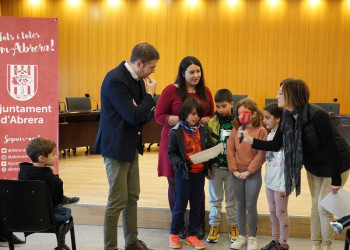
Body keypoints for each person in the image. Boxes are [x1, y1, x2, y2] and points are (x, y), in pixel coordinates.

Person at [238, 78, 350, 250]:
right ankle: (316, 245)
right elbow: (275, 145)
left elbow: (332, 149)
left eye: (280, 93)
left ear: (292, 95)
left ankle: (326, 247)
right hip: (314, 166)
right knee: (315, 206)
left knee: (323, 208)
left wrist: (336, 180)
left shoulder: (317, 115)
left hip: (336, 164)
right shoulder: (287, 117)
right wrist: (249, 139)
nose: (276, 96)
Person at [93, 42, 159, 250]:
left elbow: (145, 115)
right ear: (139, 63)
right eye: (151, 67)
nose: (153, 72)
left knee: (132, 196)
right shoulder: (115, 79)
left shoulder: (137, 78)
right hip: (116, 147)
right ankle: (110, 247)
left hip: (130, 145)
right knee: (117, 200)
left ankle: (131, 241)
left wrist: (142, 107)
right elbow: (134, 115)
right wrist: (149, 96)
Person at [154, 56, 214, 239]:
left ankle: (198, 225)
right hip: (176, 142)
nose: (196, 75)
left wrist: (206, 119)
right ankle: (178, 224)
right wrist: (182, 120)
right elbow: (159, 116)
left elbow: (211, 113)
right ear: (182, 73)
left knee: (197, 183)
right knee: (174, 182)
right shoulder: (171, 90)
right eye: (192, 72)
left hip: (197, 142)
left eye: (198, 71)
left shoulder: (205, 91)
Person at [18, 137, 79, 250]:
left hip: (25, 217)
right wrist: (55, 176)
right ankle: (62, 245)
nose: (56, 156)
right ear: (42, 158)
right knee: (63, 210)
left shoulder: (22, 172)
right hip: (46, 219)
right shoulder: (50, 178)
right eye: (53, 154)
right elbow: (57, 199)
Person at [168, 98, 213, 249]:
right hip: (184, 175)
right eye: (193, 114)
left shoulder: (203, 130)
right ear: (184, 113)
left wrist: (208, 165)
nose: (196, 117)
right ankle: (174, 234)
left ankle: (191, 235)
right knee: (179, 206)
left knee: (195, 206)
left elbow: (208, 150)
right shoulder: (176, 132)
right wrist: (181, 164)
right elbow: (171, 153)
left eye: (198, 114)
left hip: (199, 175)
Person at [226, 98, 267, 250]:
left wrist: (249, 171)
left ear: (254, 113)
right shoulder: (236, 130)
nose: (240, 116)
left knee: (251, 205)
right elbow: (230, 150)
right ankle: (241, 235)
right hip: (236, 174)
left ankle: (252, 237)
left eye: (243, 113)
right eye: (238, 114)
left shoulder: (261, 130)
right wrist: (235, 170)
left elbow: (261, 153)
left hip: (253, 174)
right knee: (240, 206)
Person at [206, 89, 239, 244]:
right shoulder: (212, 122)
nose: (220, 110)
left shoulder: (238, 122)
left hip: (233, 169)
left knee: (232, 200)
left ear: (232, 104)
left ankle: (234, 226)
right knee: (215, 199)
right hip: (215, 167)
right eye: (218, 106)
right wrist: (206, 166)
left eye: (224, 106)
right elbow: (206, 145)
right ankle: (214, 226)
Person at [260, 103, 290, 250]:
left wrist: (284, 184)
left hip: (281, 184)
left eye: (267, 117)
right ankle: (275, 240)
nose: (264, 121)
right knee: (272, 212)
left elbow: (289, 164)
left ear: (278, 118)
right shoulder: (271, 134)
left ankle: (284, 244)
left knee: (281, 212)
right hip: (270, 182)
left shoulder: (285, 136)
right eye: (263, 118)